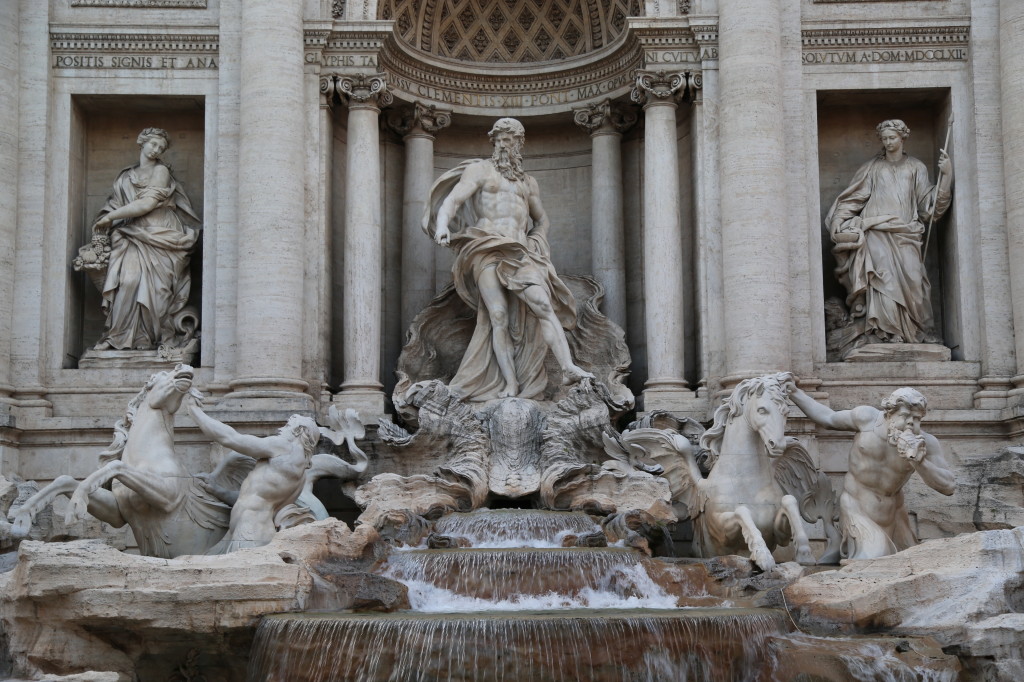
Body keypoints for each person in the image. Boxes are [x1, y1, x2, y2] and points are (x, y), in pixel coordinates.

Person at [422, 118, 593, 401]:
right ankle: (510, 384)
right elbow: (452, 200)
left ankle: (568, 367)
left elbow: (542, 219)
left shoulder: (528, 183)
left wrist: (537, 241)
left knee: (543, 305)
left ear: (519, 144)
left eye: (510, 139)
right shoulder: (480, 170)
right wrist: (442, 226)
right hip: (485, 247)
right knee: (497, 316)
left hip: (519, 251)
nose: (504, 143)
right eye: (500, 138)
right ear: (493, 141)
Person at [825, 119, 953, 356]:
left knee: (915, 280)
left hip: (906, 233)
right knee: (882, 281)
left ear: (902, 138)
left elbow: (929, 208)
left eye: (892, 138)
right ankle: (883, 333)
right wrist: (838, 221)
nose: (887, 142)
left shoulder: (916, 167)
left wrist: (946, 177)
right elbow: (853, 199)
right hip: (876, 233)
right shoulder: (872, 167)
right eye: (884, 139)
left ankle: (916, 332)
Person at [787, 382, 955, 560]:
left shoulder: (926, 443)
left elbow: (949, 486)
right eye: (905, 416)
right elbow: (828, 418)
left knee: (910, 564)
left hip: (894, 515)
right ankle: (844, 541)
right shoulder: (866, 418)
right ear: (889, 413)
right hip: (856, 507)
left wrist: (919, 462)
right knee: (874, 561)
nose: (910, 424)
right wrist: (795, 392)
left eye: (917, 419)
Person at [90, 127, 200, 351]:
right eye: (153, 144)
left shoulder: (161, 171)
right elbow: (116, 204)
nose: (156, 149)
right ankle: (118, 337)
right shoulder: (124, 177)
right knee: (128, 282)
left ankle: (148, 339)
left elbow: (147, 204)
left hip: (161, 234)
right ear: (142, 142)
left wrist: (110, 218)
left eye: (161, 147)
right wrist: (108, 218)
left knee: (158, 292)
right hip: (132, 234)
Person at [186, 399, 319, 553]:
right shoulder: (300, 475)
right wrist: (218, 491)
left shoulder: (284, 447)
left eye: (288, 425)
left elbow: (231, 438)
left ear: (298, 431)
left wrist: (195, 411)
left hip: (250, 532)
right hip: (247, 531)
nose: (282, 429)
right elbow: (254, 497)